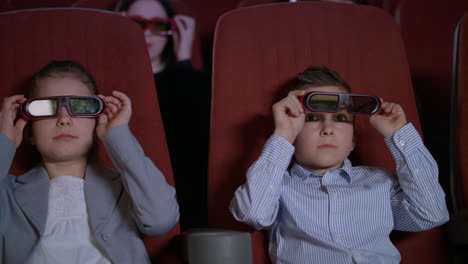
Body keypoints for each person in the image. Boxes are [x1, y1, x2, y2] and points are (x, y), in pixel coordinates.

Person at [229, 66, 449, 263]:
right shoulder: (279, 186)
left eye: (341, 119)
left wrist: (398, 134)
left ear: (353, 140)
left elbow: (431, 213)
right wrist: (283, 134)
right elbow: (253, 213)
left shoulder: (380, 181)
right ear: (294, 135)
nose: (328, 128)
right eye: (312, 119)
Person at [0, 60, 179, 264]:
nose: (64, 119)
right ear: (30, 132)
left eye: (81, 107)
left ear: (97, 126)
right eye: (46, 107)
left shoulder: (126, 188)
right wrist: (5, 142)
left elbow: (161, 220)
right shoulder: (8, 194)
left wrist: (118, 136)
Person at [118, 0, 210, 230]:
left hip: (183, 192)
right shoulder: (109, 83)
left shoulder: (190, 80)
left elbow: (195, 136)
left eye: (159, 25)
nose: (148, 32)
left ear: (171, 31)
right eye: (137, 23)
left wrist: (184, 60)